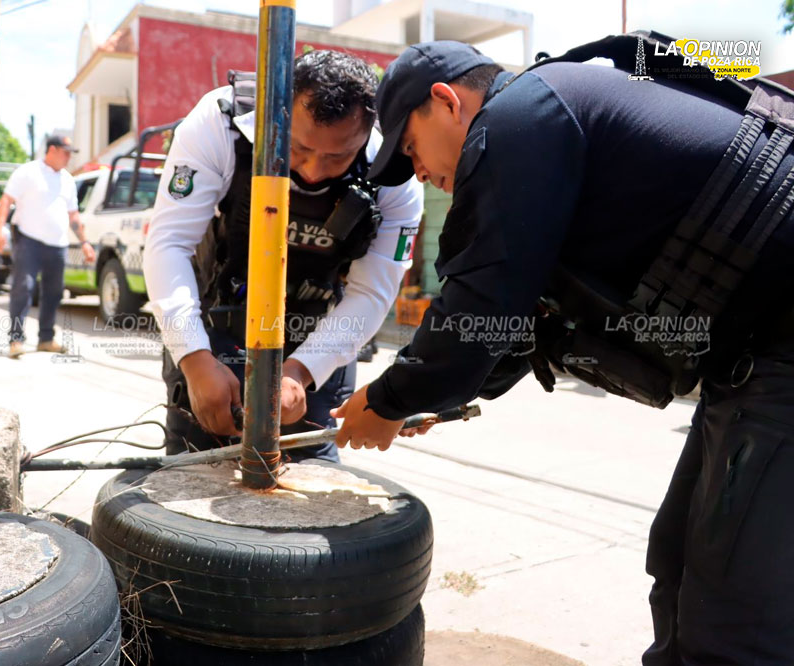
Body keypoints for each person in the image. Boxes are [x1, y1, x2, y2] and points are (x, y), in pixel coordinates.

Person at [332, 37, 794, 663]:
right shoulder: (550, 122)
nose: (416, 172)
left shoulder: (523, 115)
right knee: (679, 566)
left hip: (781, 350)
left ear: (446, 101)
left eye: (410, 148)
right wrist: (433, 396)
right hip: (749, 363)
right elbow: (520, 319)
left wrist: (391, 398)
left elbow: (481, 304)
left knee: (734, 623)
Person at [143, 50, 424, 461]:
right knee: (192, 475)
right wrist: (195, 358)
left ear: (365, 135)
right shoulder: (219, 124)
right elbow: (169, 244)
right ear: (277, 111)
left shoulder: (393, 172)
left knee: (310, 480)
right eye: (297, 147)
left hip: (319, 340)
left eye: (337, 156)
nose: (312, 170)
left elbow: (373, 292)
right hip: (213, 330)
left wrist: (301, 371)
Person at [0, 135, 96, 358]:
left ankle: (46, 339)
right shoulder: (28, 172)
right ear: (52, 150)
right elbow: (6, 200)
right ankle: (16, 340)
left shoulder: (67, 179)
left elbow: (73, 215)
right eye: (65, 152)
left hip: (57, 244)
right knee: (24, 287)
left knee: (54, 292)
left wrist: (85, 242)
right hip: (28, 239)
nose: (68, 157)